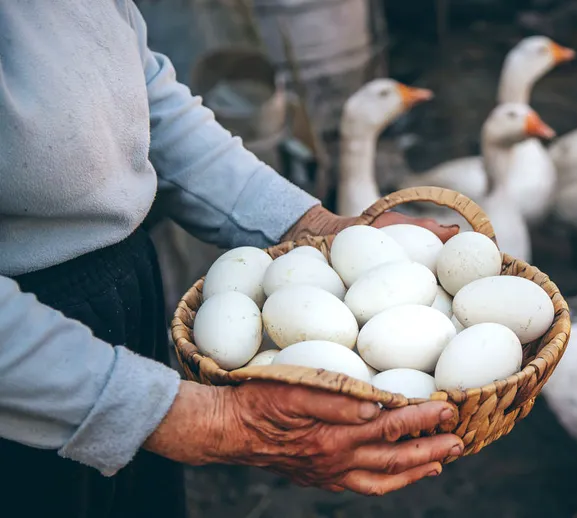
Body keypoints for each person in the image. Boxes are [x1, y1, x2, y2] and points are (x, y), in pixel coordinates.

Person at [0, 2, 464, 517]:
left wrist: (313, 226)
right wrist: (210, 420)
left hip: (121, 295)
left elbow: (133, 91)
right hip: (26, 359)